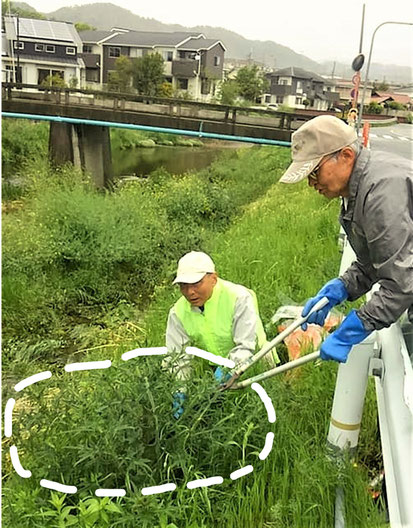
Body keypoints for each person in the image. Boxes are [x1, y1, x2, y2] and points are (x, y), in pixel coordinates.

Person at [279, 115, 413, 363]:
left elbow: (401, 284)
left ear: (346, 156)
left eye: (314, 172)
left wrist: (354, 329)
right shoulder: (357, 189)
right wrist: (342, 288)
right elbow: (377, 260)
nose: (311, 183)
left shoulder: (380, 193)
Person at [165, 251, 278, 417]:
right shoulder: (178, 313)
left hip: (256, 360)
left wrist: (226, 370)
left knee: (258, 410)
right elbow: (177, 357)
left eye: (196, 284)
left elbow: (246, 346)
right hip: (218, 367)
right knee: (224, 413)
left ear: (213, 278)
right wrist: (179, 391)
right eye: (183, 286)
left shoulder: (238, 297)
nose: (190, 292)